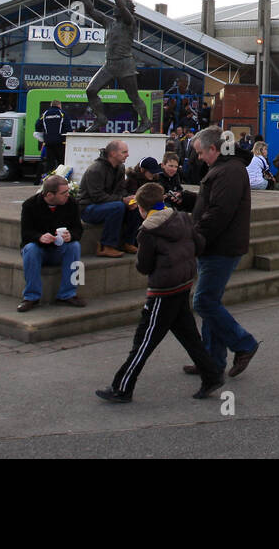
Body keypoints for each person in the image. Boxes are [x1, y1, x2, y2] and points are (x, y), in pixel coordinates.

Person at [96, 182, 224, 402]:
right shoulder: (182, 218)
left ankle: (122, 387)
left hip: (163, 290)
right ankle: (212, 374)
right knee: (188, 334)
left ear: (142, 209)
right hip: (183, 283)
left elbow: (144, 266)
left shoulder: (148, 231)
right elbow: (199, 244)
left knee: (144, 341)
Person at [187, 126, 259, 380]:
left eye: (200, 153)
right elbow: (211, 202)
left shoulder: (229, 171)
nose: (199, 158)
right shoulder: (225, 168)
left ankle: (244, 343)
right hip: (218, 245)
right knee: (210, 303)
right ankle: (212, 361)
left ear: (214, 149)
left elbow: (219, 212)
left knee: (203, 302)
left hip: (221, 247)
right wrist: (185, 199)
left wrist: (195, 237)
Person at [78, 0, 148, 132]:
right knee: (91, 91)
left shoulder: (129, 22)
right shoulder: (109, 22)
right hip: (109, 65)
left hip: (125, 64)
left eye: (118, 5)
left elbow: (122, 6)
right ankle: (101, 118)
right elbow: (90, 10)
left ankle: (145, 121)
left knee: (133, 97)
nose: (115, 7)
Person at [17, 175, 86, 311]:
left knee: (75, 246)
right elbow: (26, 233)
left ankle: (68, 293)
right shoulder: (30, 205)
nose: (67, 195)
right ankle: (31, 297)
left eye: (68, 191)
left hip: (59, 249)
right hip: (39, 248)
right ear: (49, 194)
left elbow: (78, 229)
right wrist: (40, 237)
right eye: (63, 193)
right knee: (30, 249)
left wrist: (70, 235)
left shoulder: (71, 203)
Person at [79, 139, 136, 257]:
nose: (128, 155)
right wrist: (122, 200)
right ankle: (106, 246)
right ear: (113, 153)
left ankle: (128, 242)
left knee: (134, 206)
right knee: (118, 206)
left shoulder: (120, 168)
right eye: (124, 152)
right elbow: (97, 197)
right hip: (88, 208)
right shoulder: (96, 169)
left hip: (107, 204)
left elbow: (121, 190)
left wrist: (129, 198)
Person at [36, 100, 69, 176]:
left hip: (48, 142)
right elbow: (68, 127)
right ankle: (61, 178)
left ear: (51, 105)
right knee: (61, 162)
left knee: (50, 162)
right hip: (60, 142)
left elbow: (37, 125)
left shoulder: (45, 114)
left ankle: (49, 179)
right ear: (59, 105)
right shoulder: (62, 113)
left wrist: (44, 134)